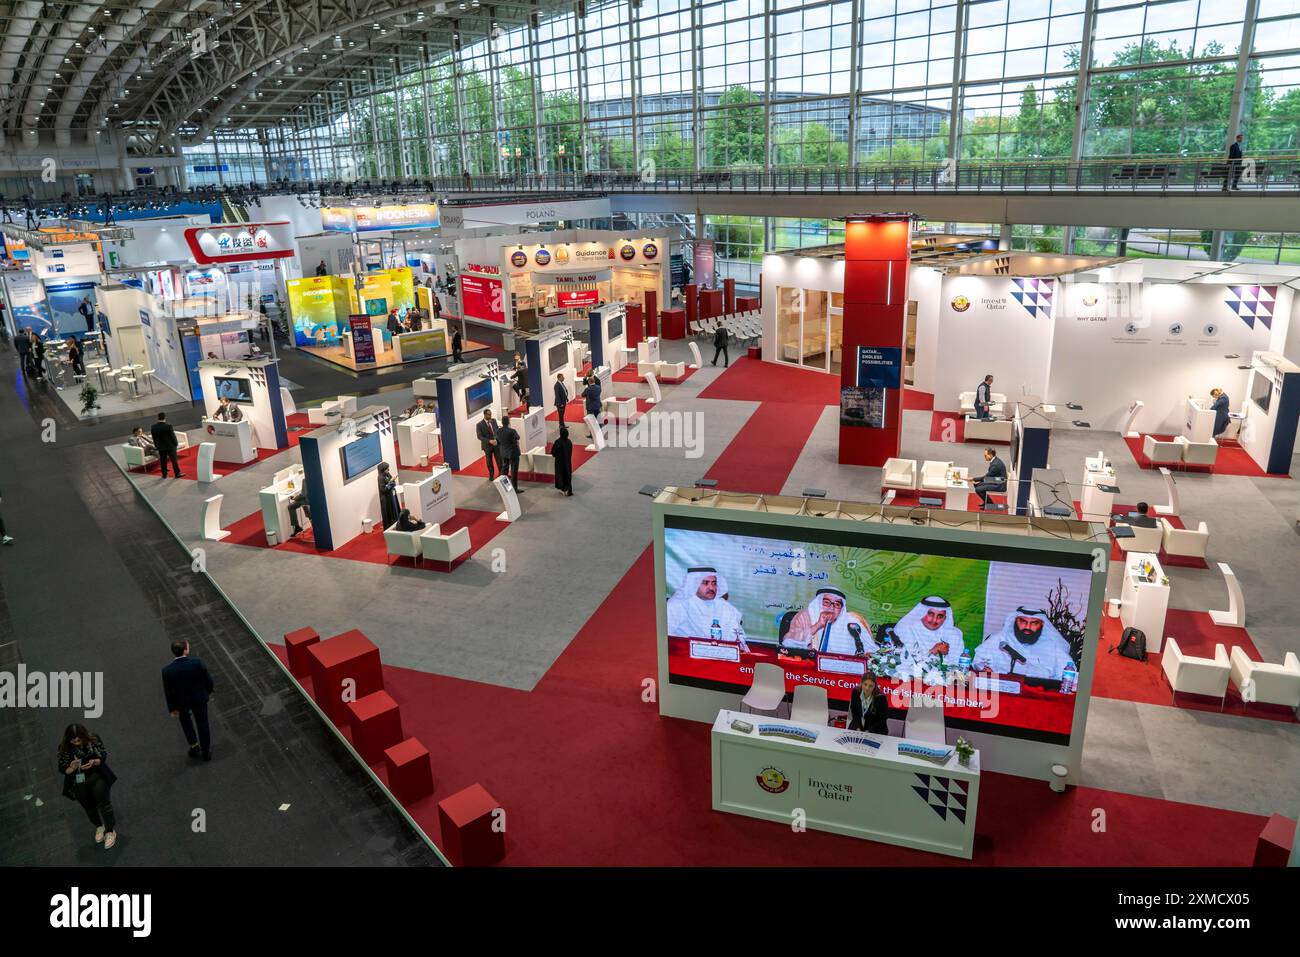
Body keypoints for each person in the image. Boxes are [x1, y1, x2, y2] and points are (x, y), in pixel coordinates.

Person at [971, 607, 1075, 681]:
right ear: (1015, 621)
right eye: (1023, 621)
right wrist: (984, 669)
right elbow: (978, 662)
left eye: (1034, 623)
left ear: (1042, 624)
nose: (1028, 627)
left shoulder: (1053, 647)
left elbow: (1071, 675)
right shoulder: (999, 639)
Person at [58, 723, 118, 849]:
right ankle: (99, 826)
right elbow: (63, 769)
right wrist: (71, 767)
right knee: (88, 807)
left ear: (83, 735)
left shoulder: (93, 739)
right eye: (72, 740)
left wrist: (95, 761)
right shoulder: (64, 748)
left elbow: (103, 755)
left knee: (104, 804)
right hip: (78, 780)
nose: (75, 742)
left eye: (78, 739)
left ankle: (110, 831)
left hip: (96, 776)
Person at [665, 566, 750, 651]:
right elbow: (665, 636)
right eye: (705, 583)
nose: (711, 588)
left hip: (722, 654)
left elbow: (740, 635)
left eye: (714, 583)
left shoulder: (725, 607)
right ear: (694, 584)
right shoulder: (677, 605)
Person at [162, 640, 215, 761]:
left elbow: (168, 692)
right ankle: (206, 752)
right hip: (199, 698)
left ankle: (194, 745)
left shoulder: (167, 671)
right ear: (185, 650)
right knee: (202, 724)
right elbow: (207, 679)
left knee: (185, 721)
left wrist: (172, 708)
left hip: (182, 702)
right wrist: (209, 691)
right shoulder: (197, 663)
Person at [782, 587, 876, 657]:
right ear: (818, 603)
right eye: (826, 602)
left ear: (841, 609)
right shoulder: (805, 617)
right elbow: (788, 644)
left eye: (837, 604)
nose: (831, 608)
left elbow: (872, 652)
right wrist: (818, 625)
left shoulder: (852, 621)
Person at [892, 596, 966, 667]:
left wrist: (946, 656)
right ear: (922, 613)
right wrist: (933, 651)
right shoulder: (906, 629)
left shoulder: (953, 634)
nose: (934, 620)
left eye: (940, 616)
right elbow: (903, 661)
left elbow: (957, 665)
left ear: (945, 618)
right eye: (930, 614)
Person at [151, 412, 183, 478]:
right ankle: (177, 473)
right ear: (165, 417)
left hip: (160, 446)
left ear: (158, 418)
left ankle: (164, 474)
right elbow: (172, 436)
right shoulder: (168, 426)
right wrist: (176, 444)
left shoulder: (153, 427)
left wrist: (157, 445)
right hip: (170, 446)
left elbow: (154, 438)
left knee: (163, 460)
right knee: (174, 460)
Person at [498, 413, 522, 491]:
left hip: (504, 453)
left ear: (502, 422)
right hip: (513, 453)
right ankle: (514, 488)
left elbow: (498, 440)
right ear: (508, 422)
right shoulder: (512, 431)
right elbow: (518, 437)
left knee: (504, 470)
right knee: (514, 471)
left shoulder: (498, 431)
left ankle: (503, 486)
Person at [476, 408, 501, 479]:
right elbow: (479, 436)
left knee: (499, 460)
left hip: (496, 444)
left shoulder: (493, 421)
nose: (490, 416)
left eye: (490, 414)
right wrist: (489, 441)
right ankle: (491, 475)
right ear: (484, 415)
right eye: (488, 414)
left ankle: (501, 474)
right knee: (489, 461)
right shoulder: (479, 425)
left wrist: (496, 439)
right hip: (487, 446)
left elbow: (496, 431)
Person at [552, 425, 574, 497]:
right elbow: (570, 451)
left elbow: (553, 452)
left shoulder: (558, 442)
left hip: (559, 462)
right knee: (567, 475)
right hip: (567, 461)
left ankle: (563, 489)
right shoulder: (569, 442)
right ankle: (569, 489)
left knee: (560, 475)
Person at [377, 462, 400, 529]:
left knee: (395, 510)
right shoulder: (380, 477)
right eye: (387, 469)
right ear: (383, 470)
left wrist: (392, 481)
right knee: (389, 513)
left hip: (392, 496)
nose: (388, 470)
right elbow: (383, 489)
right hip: (386, 499)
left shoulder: (387, 474)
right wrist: (391, 482)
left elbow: (393, 482)